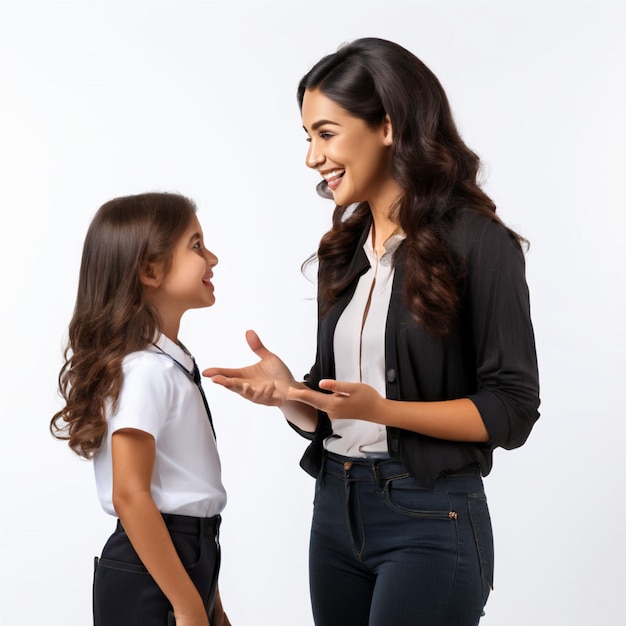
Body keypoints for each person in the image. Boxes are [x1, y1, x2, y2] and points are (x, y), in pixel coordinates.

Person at [204, 37, 540, 626]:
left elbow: (512, 409)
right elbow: (341, 407)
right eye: (307, 137)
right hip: (336, 508)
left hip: (432, 518)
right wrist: (292, 395)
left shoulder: (480, 244)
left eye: (326, 133)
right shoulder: (342, 253)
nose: (312, 157)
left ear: (387, 126)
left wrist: (387, 411)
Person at [51, 192, 231, 626]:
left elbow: (192, 505)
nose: (213, 258)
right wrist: (188, 606)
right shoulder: (146, 371)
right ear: (150, 270)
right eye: (196, 245)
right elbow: (131, 495)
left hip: (184, 559)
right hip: (152, 575)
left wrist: (211, 603)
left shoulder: (169, 363)